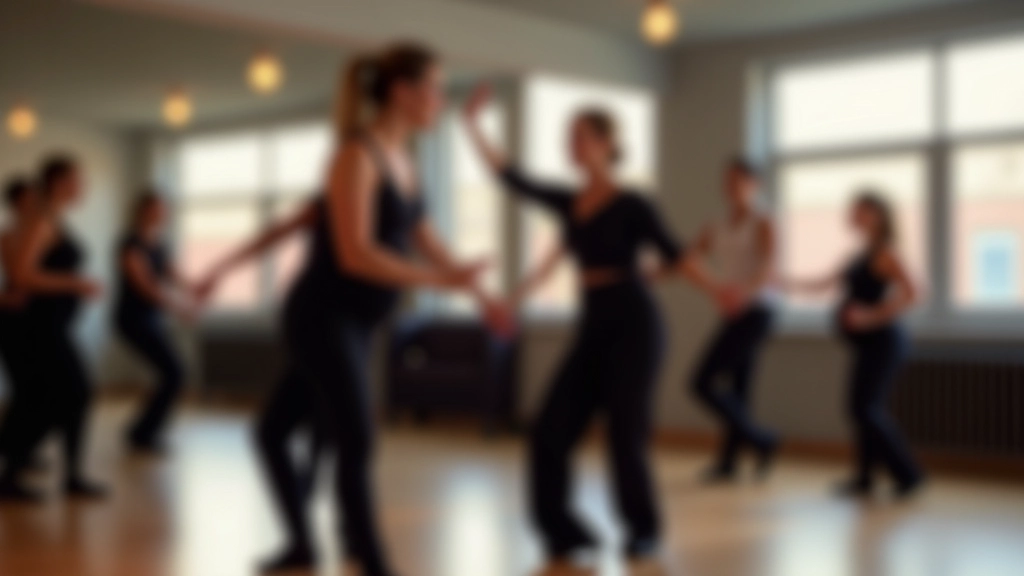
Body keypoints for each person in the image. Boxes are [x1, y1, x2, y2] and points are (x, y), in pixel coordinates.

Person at [199, 43, 509, 576]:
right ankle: (371, 562)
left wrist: (480, 295)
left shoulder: (406, 161)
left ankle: (302, 545)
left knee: (275, 432)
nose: (441, 100)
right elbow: (355, 253)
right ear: (402, 92)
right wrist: (440, 280)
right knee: (357, 439)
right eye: (434, 89)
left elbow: (426, 237)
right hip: (321, 318)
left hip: (359, 324)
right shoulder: (355, 155)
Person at [463, 85, 723, 564]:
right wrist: (473, 125)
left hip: (636, 325)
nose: (571, 144)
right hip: (593, 325)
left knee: (625, 434)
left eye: (580, 136)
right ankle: (563, 530)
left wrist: (717, 290)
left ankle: (643, 530)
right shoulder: (569, 203)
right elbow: (512, 178)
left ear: (607, 143)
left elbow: (676, 253)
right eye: (569, 137)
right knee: (548, 430)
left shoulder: (633, 203)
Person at [782, 191, 925, 499]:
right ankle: (864, 479)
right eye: (853, 210)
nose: (853, 215)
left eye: (860, 210)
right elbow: (824, 283)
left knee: (865, 409)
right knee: (860, 409)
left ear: (878, 215)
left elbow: (915, 292)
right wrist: (785, 282)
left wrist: (871, 315)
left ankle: (909, 475)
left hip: (885, 342)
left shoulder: (886, 253)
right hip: (868, 345)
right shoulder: (860, 253)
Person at [0, 155, 106, 500]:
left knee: (68, 395)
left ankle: (70, 475)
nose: (82, 187)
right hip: (37, 327)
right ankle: (13, 466)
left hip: (51, 324)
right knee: (66, 395)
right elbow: (21, 275)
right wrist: (75, 283)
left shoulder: (51, 219)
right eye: (78, 180)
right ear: (60, 182)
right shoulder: (41, 220)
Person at [686, 158, 779, 484]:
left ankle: (762, 440)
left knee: (702, 382)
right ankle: (729, 462)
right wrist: (656, 271)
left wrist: (743, 293)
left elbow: (768, 268)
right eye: (728, 181)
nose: (732, 187)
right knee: (738, 389)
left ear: (756, 185)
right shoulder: (716, 225)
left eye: (740, 181)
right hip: (732, 310)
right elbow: (688, 257)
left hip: (757, 312)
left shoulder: (763, 221)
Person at [115, 191, 195, 454]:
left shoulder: (159, 243)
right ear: (143, 211)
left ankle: (142, 431)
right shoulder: (130, 244)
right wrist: (178, 307)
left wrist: (196, 288)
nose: (163, 213)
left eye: (164, 209)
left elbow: (174, 275)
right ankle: (142, 433)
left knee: (172, 373)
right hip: (132, 319)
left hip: (150, 319)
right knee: (174, 372)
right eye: (157, 209)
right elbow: (144, 286)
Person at [0, 178, 42, 497]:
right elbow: (17, 277)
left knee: (31, 389)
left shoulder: (38, 232)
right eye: (28, 199)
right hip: (11, 320)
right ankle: (12, 456)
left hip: (31, 320)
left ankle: (20, 451)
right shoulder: (8, 236)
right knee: (25, 389)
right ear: (16, 203)